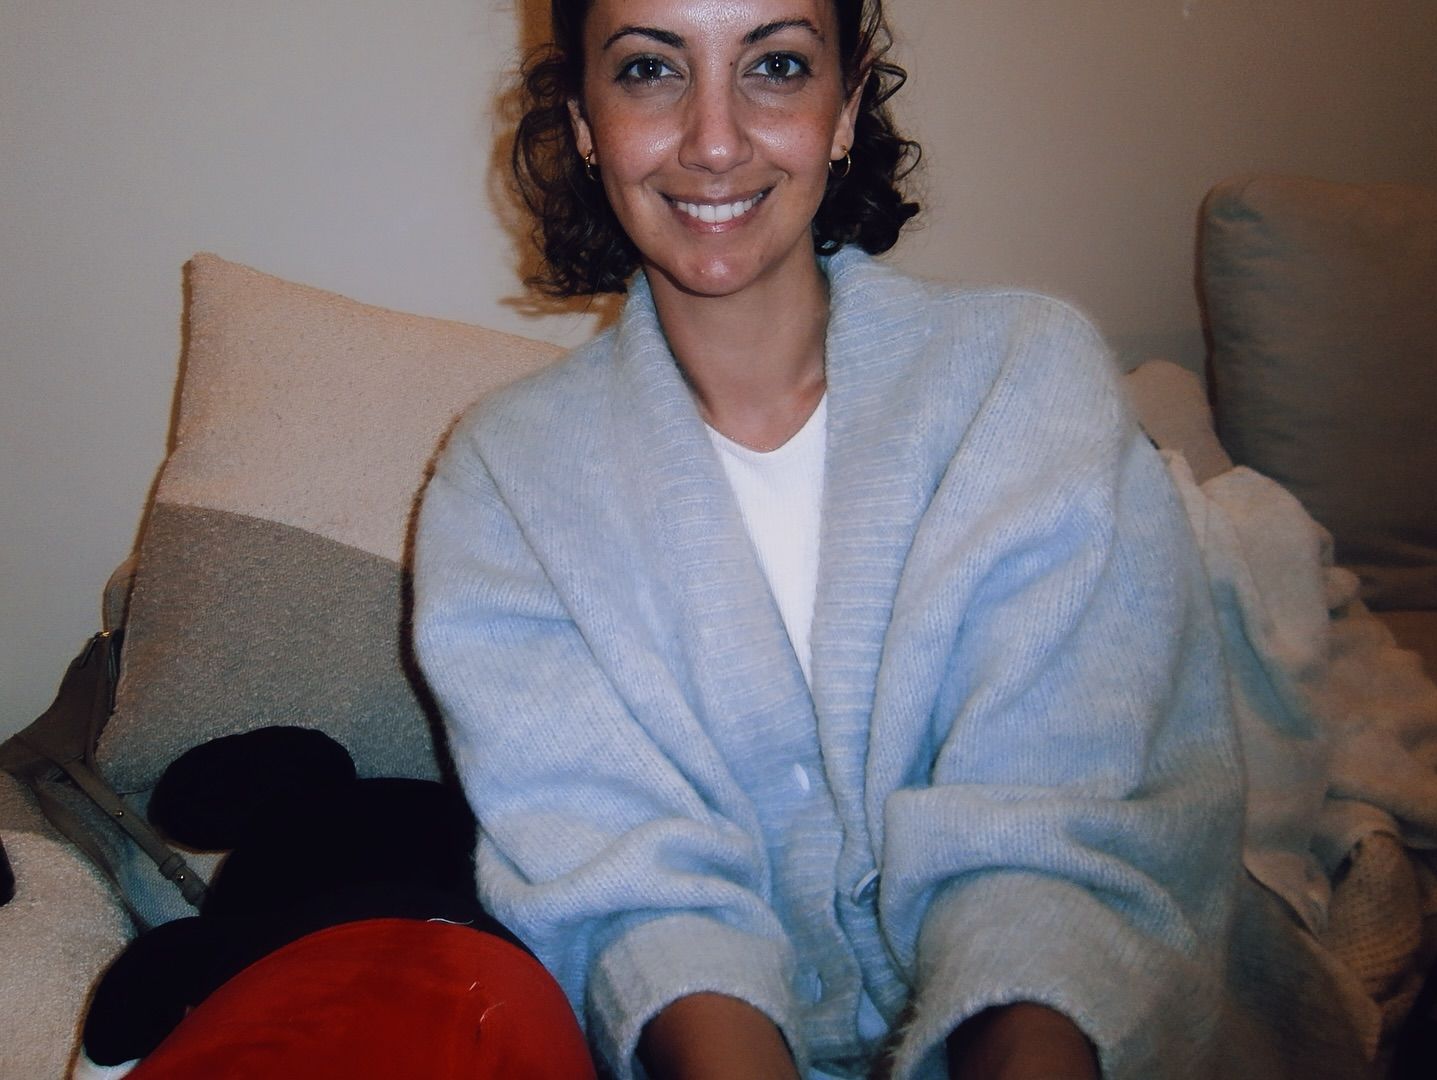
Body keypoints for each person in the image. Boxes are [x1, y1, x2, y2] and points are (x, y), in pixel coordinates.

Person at [413, 1, 1243, 1077]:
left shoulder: (1023, 378)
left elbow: (1053, 839)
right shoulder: (505, 481)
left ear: (846, 107)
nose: (716, 141)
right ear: (583, 122)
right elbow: (635, 894)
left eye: (776, 65)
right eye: (651, 71)